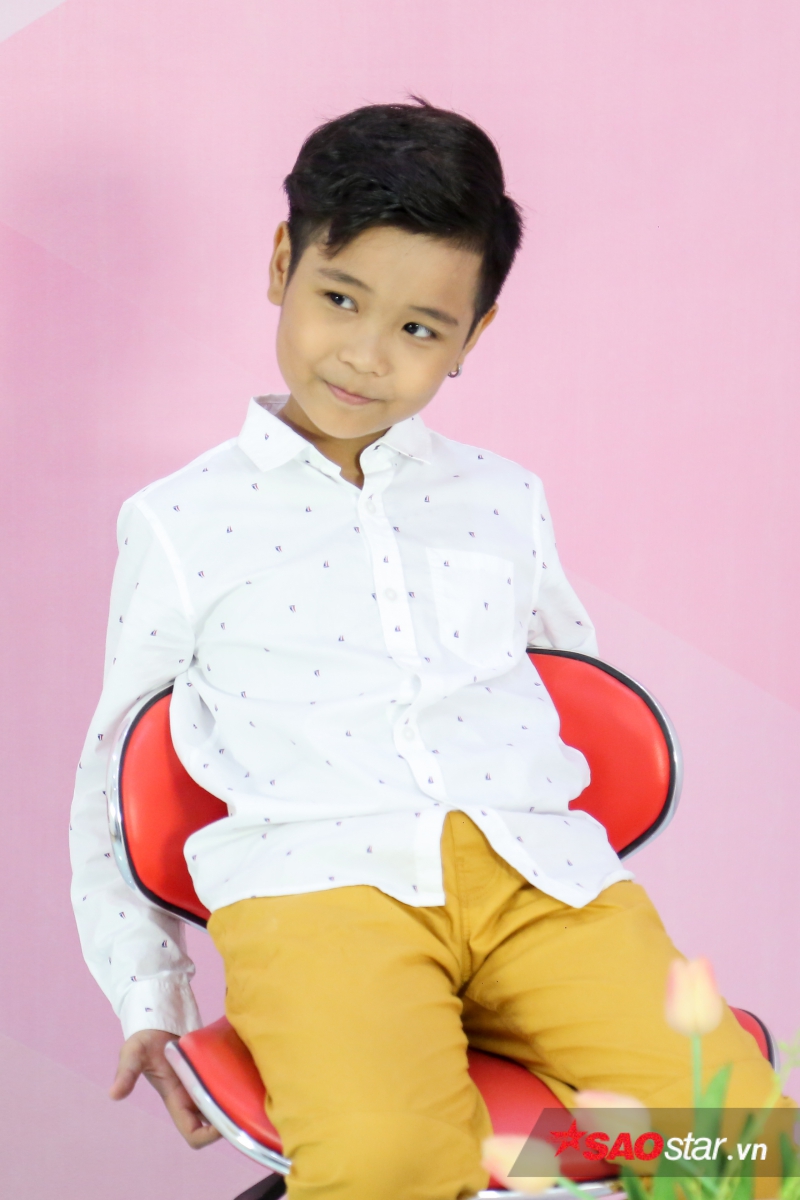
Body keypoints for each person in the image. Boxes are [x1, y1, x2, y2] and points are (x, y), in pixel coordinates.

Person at [70, 100, 789, 1200]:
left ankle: (528, 1157)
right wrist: (149, 995)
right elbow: (111, 770)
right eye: (339, 298)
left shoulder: (503, 499)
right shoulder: (179, 521)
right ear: (282, 264)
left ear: (472, 337)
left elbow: (573, 697)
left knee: (740, 1146)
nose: (365, 355)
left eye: (419, 329)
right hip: (315, 891)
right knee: (392, 1157)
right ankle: (447, 1149)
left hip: (538, 885)